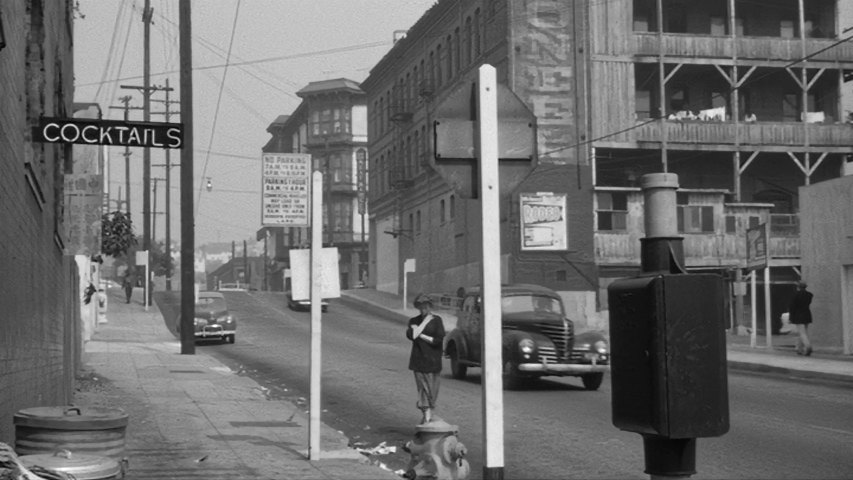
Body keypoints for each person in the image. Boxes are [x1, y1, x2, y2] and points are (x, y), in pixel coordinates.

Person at [406, 293, 445, 424]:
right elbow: (412, 335)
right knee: (422, 389)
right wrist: (425, 323)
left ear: (430, 306)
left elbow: (438, 340)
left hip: (433, 361)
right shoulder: (413, 321)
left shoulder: (437, 321)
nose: (424, 309)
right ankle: (427, 416)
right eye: (421, 307)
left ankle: (428, 414)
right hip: (419, 360)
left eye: (426, 306)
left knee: (432, 391)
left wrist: (422, 335)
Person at [788, 281, 814, 356]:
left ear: (798, 287)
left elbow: (792, 307)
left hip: (798, 316)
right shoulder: (809, 295)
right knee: (803, 332)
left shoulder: (796, 295)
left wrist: (791, 318)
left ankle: (808, 347)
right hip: (807, 315)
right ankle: (799, 349)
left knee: (802, 333)